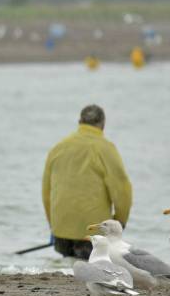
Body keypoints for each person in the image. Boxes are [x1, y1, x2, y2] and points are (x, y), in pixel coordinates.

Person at [42, 104, 132, 259]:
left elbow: (46, 192)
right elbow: (122, 191)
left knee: (69, 268)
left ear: (79, 122)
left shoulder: (58, 148)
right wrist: (119, 223)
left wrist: (53, 225)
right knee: (91, 269)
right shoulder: (106, 149)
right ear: (103, 124)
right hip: (93, 232)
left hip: (61, 229)